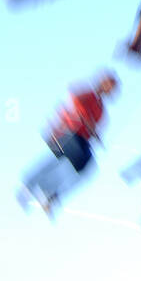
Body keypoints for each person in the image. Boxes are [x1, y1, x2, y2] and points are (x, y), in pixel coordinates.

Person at [16, 72, 119, 219]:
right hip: (66, 132)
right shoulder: (86, 93)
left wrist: (95, 135)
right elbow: (74, 100)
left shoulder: (101, 110)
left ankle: (52, 195)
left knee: (85, 165)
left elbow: (92, 128)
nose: (110, 91)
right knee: (65, 156)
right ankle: (32, 186)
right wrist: (86, 120)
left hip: (79, 139)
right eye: (110, 87)